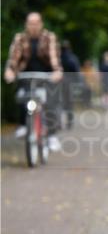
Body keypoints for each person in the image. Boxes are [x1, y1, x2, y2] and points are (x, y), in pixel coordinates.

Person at [4, 12, 63, 150]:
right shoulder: (20, 38)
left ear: (41, 24)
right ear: (26, 24)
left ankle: (52, 135)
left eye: (36, 23)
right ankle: (24, 125)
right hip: (26, 75)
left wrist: (57, 71)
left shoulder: (49, 37)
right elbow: (13, 58)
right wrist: (10, 71)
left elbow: (54, 58)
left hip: (46, 76)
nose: (34, 26)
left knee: (50, 101)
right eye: (31, 23)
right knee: (21, 97)